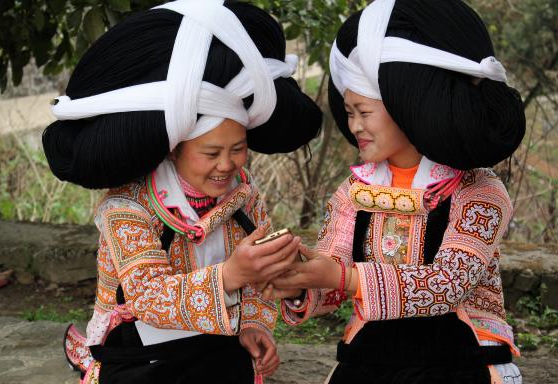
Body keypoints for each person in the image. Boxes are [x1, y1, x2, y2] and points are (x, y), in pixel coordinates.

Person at [41, 1, 322, 383]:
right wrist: (229, 275)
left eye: (238, 149)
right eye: (211, 153)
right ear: (175, 148)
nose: (227, 165)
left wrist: (255, 325)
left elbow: (257, 280)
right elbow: (148, 297)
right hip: (140, 349)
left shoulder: (244, 196)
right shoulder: (128, 205)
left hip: (216, 339)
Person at [268, 0, 525, 383]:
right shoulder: (354, 189)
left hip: (462, 360)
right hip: (370, 359)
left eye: (364, 112)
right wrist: (300, 280)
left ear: (408, 106)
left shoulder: (479, 190)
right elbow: (333, 268)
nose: (354, 125)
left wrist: (345, 279)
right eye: (349, 111)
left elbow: (446, 285)